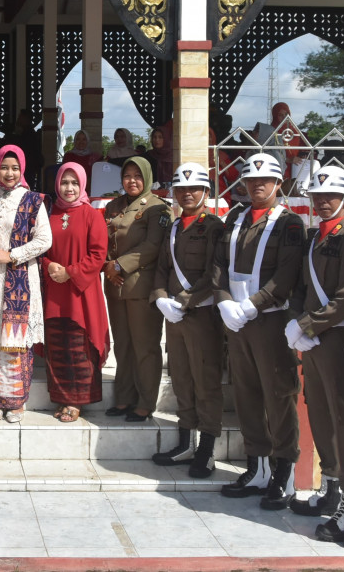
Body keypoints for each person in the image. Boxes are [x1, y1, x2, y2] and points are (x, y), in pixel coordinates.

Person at [212, 152, 305, 507]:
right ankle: (258, 465)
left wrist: (254, 305)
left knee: (278, 394)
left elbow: (287, 273)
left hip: (270, 320)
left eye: (264, 180)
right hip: (236, 321)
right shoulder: (235, 217)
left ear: (279, 183)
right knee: (247, 393)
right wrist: (223, 300)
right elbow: (218, 264)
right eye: (251, 180)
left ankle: (284, 471)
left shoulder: (289, 223)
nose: (257, 185)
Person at [284, 165, 344, 539]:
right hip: (314, 338)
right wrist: (295, 319)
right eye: (317, 197)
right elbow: (301, 287)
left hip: (336, 339)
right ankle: (331, 487)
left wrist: (305, 325)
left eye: (330, 197)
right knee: (319, 412)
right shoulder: (312, 237)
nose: (322, 202)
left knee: (342, 416)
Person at [150, 162, 225, 478]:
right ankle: (185, 442)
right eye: (182, 189)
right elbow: (162, 268)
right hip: (175, 318)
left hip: (202, 315)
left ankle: (206, 449)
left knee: (205, 381)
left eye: (194, 189)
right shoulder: (174, 227)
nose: (187, 194)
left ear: (206, 192)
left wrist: (182, 301)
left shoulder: (214, 227)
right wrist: (160, 296)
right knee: (181, 378)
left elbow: (215, 272)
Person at [0, 145, 52, 423]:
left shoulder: (33, 200)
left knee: (15, 339)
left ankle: (16, 401)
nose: (9, 173)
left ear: (23, 169)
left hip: (18, 280)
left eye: (15, 168)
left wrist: (13, 255)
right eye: (4, 167)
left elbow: (44, 240)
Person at [102, 156, 173, 422]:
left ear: (147, 177)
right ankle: (124, 398)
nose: (132, 181)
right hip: (115, 286)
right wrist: (108, 265)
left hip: (141, 286)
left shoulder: (157, 208)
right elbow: (104, 241)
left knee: (145, 348)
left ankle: (145, 403)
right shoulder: (113, 206)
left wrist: (119, 265)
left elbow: (154, 245)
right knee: (123, 346)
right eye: (127, 175)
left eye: (137, 176)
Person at [41, 162, 109, 422]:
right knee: (58, 345)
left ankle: (76, 401)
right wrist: (49, 266)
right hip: (55, 291)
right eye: (64, 182)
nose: (69, 188)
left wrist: (70, 272)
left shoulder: (92, 215)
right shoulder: (49, 214)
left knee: (80, 348)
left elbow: (98, 254)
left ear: (82, 185)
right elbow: (40, 250)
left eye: (74, 183)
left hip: (81, 294)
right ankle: (61, 397)